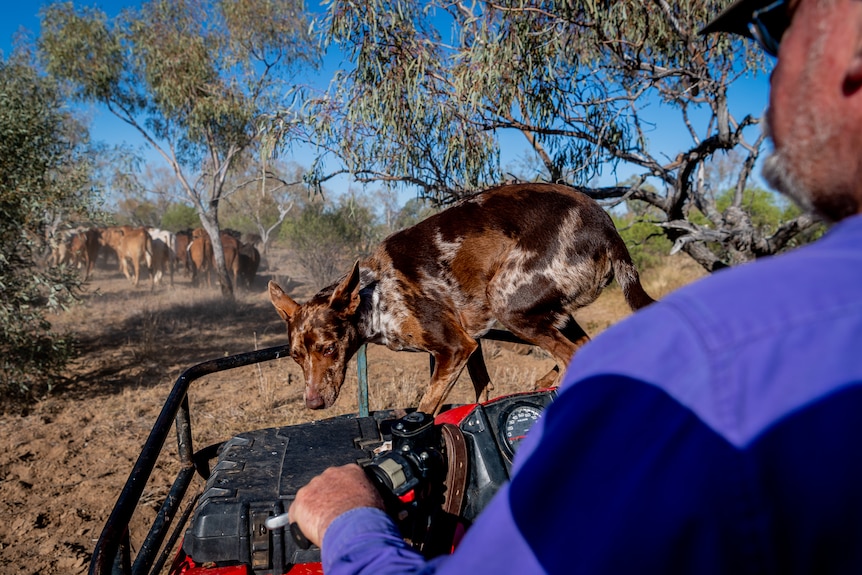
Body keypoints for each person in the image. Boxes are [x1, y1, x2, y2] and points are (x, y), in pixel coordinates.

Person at [289, 0, 862, 571]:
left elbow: (460, 342)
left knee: (513, 309)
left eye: (771, 33)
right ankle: (567, 363)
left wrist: (350, 520)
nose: (771, 69)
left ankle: (569, 364)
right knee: (509, 309)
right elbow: (466, 332)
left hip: (561, 238)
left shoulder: (694, 359)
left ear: (852, 59)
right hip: (563, 239)